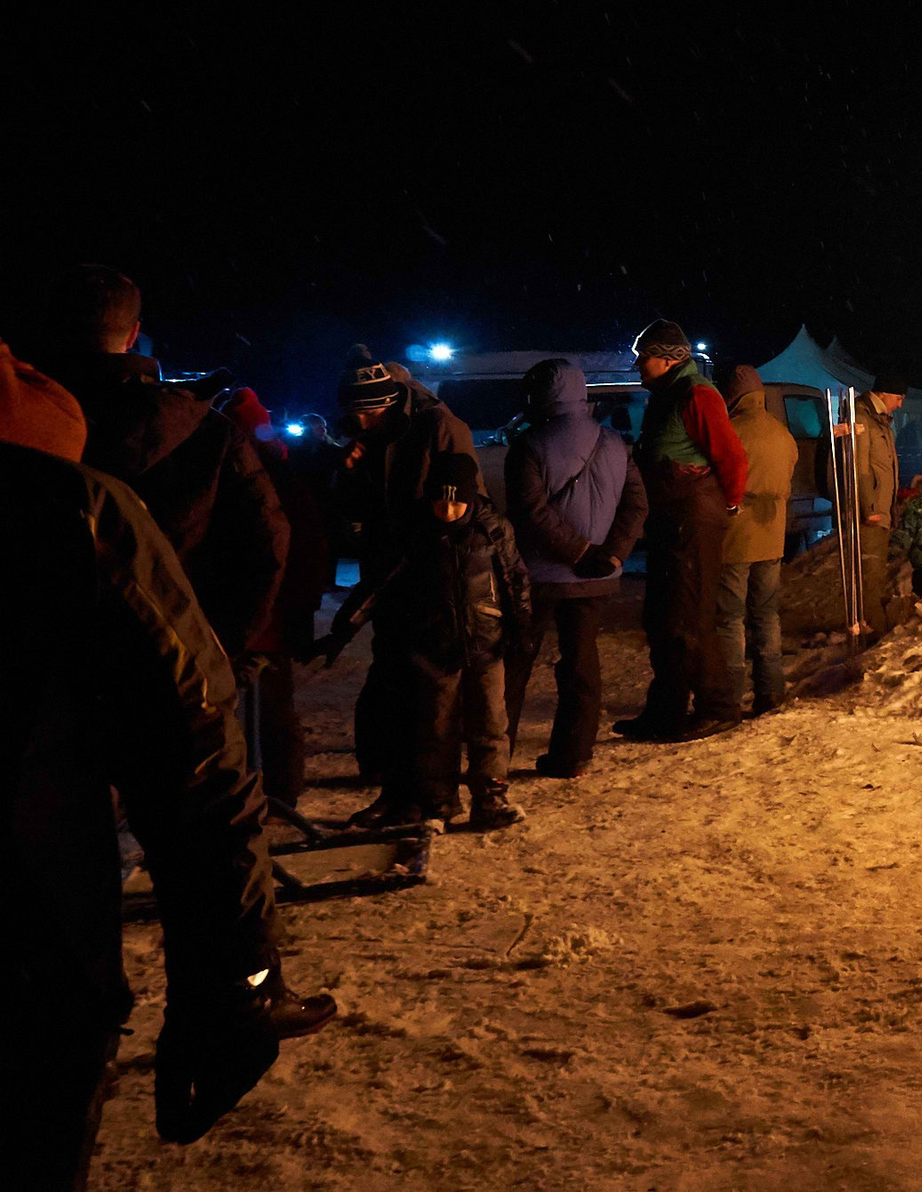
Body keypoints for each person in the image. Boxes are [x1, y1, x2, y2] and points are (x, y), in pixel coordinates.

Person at [2, 341, 334, 1186]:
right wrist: (236, 979)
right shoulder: (71, 506)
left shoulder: (81, 498)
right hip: (37, 953)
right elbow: (192, 752)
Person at [35, 266, 290, 669]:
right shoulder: (204, 429)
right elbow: (264, 542)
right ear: (133, 334)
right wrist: (214, 647)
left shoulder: (23, 419)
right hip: (166, 656)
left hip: (38, 662)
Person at [326, 451, 530, 829]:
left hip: (486, 642)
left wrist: (520, 629)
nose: (448, 510)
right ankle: (439, 802)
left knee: (490, 726)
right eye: (440, 500)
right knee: (436, 728)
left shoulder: (493, 529)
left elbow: (514, 581)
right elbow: (378, 585)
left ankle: (491, 797)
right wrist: (344, 627)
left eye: (456, 501)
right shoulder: (414, 532)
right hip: (435, 646)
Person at [331, 346, 476, 801]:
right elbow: (364, 505)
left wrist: (439, 547)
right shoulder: (372, 431)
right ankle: (388, 773)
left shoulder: (437, 426)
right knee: (391, 666)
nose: (360, 425)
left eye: (367, 414)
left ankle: (428, 791)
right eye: (353, 416)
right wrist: (349, 473)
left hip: (430, 569)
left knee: (430, 678)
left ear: (391, 399)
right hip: (388, 566)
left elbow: (464, 509)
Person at [503, 358, 646, 776]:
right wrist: (612, 555)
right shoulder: (614, 443)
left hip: (537, 576)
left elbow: (530, 512)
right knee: (581, 664)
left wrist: (579, 552)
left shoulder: (528, 446)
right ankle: (573, 755)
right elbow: (637, 504)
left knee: (514, 664)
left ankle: (495, 754)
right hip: (593, 579)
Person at [616, 322, 748, 742]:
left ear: (669, 357)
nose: (639, 363)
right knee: (662, 617)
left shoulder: (697, 394)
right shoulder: (669, 395)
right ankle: (665, 711)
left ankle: (718, 707)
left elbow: (731, 456)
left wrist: (729, 503)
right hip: (671, 514)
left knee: (689, 618)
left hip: (693, 515)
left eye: (644, 356)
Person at [213, 386, 333, 815]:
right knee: (273, 708)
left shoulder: (243, 478)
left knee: (255, 710)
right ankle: (279, 790)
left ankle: (271, 792)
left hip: (258, 617)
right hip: (273, 615)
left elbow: (294, 551)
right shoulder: (285, 473)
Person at [715, 363, 799, 717]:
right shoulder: (783, 434)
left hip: (735, 539)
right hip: (772, 538)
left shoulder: (729, 433)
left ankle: (730, 696)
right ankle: (771, 691)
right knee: (767, 616)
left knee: (730, 619)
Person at [850, 372, 904, 643]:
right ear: (882, 393)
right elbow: (860, 467)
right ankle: (874, 633)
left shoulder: (879, 420)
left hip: (882, 508)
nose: (900, 404)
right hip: (872, 512)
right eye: (898, 397)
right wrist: (870, 506)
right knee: (870, 573)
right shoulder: (863, 418)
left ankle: (873, 625)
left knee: (876, 572)